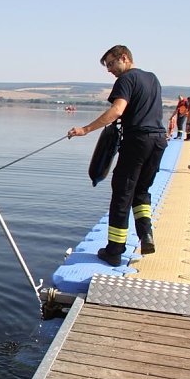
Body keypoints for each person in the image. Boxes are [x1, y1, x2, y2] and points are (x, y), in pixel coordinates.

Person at [67, 45, 167, 267]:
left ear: (124, 58)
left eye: (112, 63)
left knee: (122, 194)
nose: (110, 70)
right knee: (141, 191)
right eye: (107, 66)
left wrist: (85, 129)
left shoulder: (126, 79)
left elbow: (117, 110)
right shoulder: (152, 78)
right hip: (159, 141)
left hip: (137, 141)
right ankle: (146, 235)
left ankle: (114, 251)